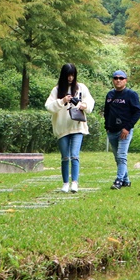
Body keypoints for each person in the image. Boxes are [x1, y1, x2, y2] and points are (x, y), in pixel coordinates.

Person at [45, 63, 94, 193]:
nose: (70, 78)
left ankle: (75, 183)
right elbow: (49, 107)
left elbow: (90, 102)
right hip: (62, 128)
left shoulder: (81, 88)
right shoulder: (56, 90)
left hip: (77, 126)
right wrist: (62, 101)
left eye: (72, 75)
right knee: (65, 157)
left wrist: (84, 106)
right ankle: (65, 183)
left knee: (75, 155)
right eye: (68, 75)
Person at [104, 69, 140, 190]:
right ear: (113, 80)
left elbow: (137, 112)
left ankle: (118, 180)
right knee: (117, 158)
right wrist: (107, 127)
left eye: (121, 78)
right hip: (112, 131)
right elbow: (106, 112)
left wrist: (127, 127)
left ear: (126, 80)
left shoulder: (131, 94)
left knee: (121, 156)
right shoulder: (110, 95)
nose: (118, 80)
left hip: (124, 131)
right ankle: (126, 180)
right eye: (115, 78)